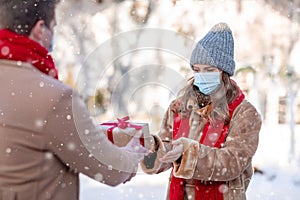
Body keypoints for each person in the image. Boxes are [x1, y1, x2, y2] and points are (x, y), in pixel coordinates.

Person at [0, 0, 147, 199]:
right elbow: (110, 168)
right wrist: (132, 153)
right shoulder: (53, 97)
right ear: (40, 29)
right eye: (53, 27)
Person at [141, 22, 262, 200]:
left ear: (224, 73)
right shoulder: (180, 107)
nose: (202, 76)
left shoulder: (244, 113)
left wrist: (188, 152)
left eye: (209, 70)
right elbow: (167, 147)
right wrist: (151, 147)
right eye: (197, 70)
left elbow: (232, 162)